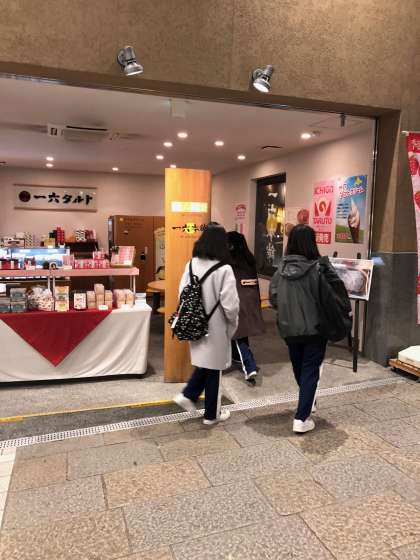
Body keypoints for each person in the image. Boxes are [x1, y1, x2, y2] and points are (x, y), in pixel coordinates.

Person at [269, 224, 348, 433]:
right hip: (315, 328)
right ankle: (301, 418)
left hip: (289, 328)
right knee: (310, 370)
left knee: (300, 368)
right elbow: (332, 297)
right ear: (312, 243)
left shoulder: (280, 270)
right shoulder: (318, 269)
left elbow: (274, 299)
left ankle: (308, 402)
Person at [174, 223, 240, 425]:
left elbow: (182, 294)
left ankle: (193, 398)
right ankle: (208, 412)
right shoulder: (224, 269)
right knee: (215, 368)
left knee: (207, 365)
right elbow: (230, 306)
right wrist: (233, 323)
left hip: (195, 323)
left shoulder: (191, 264)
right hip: (216, 326)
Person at [227, 231, 265, 384]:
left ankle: (250, 367)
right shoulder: (249, 259)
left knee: (238, 334)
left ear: (231, 245)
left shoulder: (229, 261)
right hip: (251, 299)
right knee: (239, 332)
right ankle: (236, 357)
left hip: (237, 300)